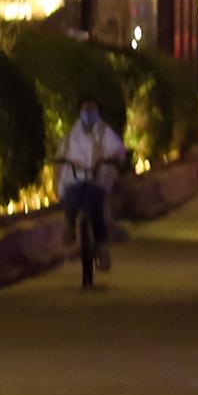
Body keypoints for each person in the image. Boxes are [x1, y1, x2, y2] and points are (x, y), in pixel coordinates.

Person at [57, 96, 127, 287]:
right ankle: (71, 224)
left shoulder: (105, 133)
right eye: (85, 110)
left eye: (92, 110)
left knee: (93, 203)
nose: (88, 114)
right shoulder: (71, 136)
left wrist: (110, 160)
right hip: (74, 180)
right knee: (72, 199)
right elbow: (61, 156)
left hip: (97, 180)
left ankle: (102, 247)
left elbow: (118, 152)